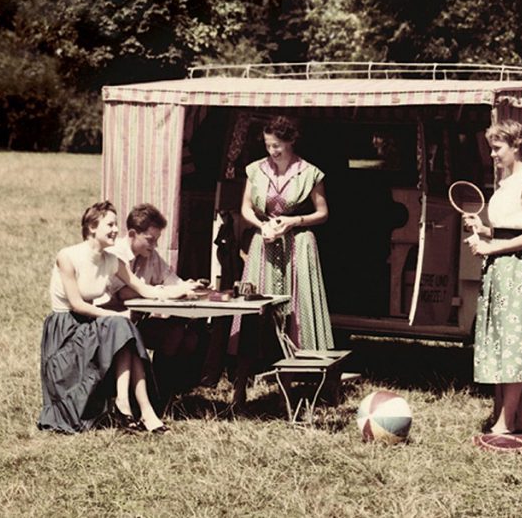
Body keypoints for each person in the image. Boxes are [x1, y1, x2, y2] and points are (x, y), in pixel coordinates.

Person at [37, 201, 192, 434]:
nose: (115, 230)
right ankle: (138, 409)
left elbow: (146, 290)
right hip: (65, 330)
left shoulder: (112, 261)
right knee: (121, 325)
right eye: (110, 224)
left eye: (116, 224)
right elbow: (78, 305)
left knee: (122, 327)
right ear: (91, 227)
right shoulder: (67, 256)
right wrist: (116, 315)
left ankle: (132, 407)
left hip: (91, 327)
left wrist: (179, 290)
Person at [463, 119, 522, 435]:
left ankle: (506, 423)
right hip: (500, 268)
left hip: (515, 269)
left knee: (514, 347)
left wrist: (489, 248)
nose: (493, 155)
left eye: (497, 149)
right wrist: (485, 230)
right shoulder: (508, 183)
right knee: (502, 342)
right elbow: (512, 226)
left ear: (516, 146)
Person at [230, 116, 333, 355]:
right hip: (265, 241)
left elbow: (323, 213)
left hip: (298, 243)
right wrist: (261, 225)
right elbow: (245, 208)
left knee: (298, 301)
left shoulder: (309, 173)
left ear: (290, 142)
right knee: (259, 299)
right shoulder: (256, 170)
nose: (271, 150)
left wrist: (293, 221)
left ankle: (301, 356)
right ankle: (256, 357)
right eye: (267, 145)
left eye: (276, 145)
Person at [106, 204, 203, 404]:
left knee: (184, 334)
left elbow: (170, 279)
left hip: (135, 324)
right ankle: (153, 394)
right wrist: (167, 292)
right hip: (112, 325)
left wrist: (189, 286)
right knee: (174, 335)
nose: (154, 246)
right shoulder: (116, 255)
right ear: (132, 234)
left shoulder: (151, 256)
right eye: (150, 240)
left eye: (157, 240)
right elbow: (125, 293)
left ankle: (161, 392)